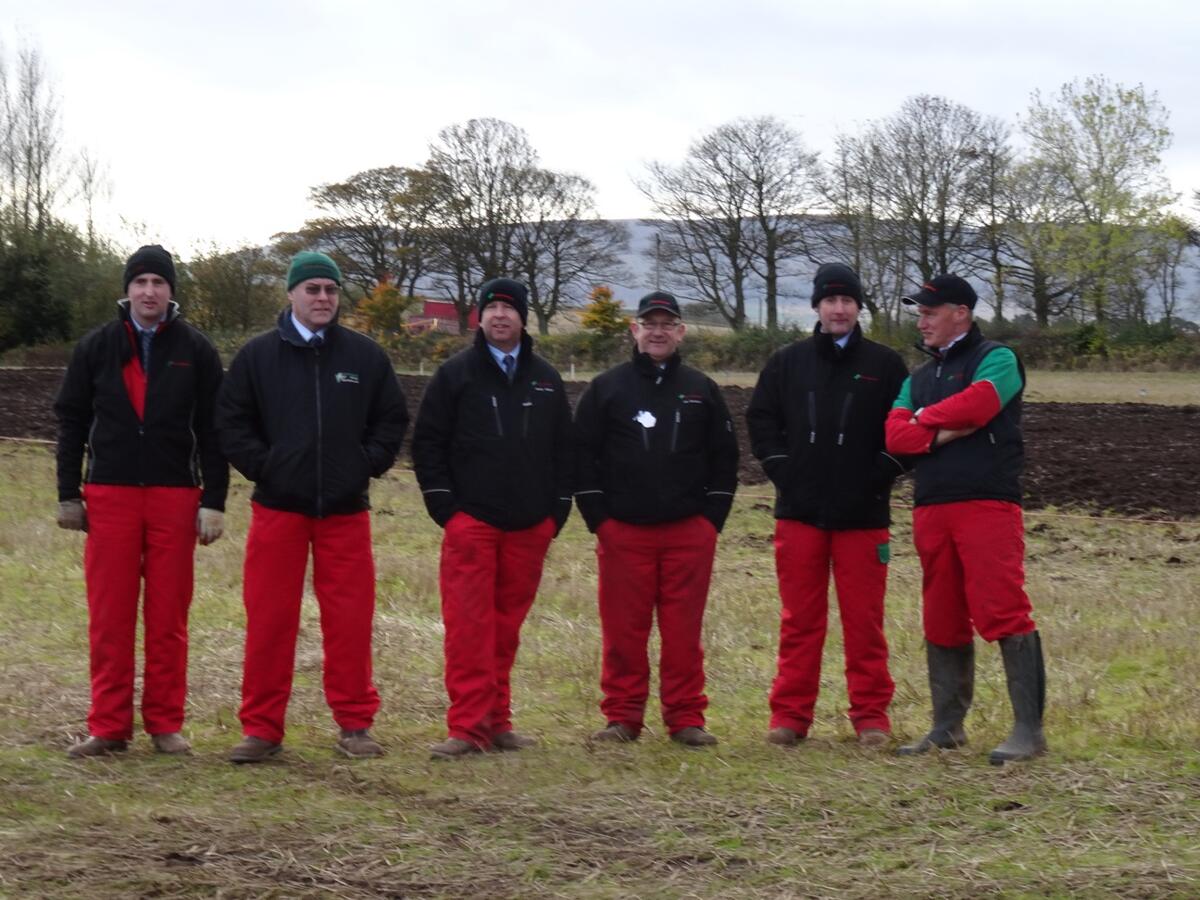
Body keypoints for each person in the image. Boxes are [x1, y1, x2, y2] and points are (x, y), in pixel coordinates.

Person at [216, 251, 408, 763]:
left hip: (345, 511)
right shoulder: (257, 357)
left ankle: (355, 724)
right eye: (312, 289)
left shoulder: (364, 357)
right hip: (279, 509)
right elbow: (231, 423)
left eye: (330, 290)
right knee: (269, 620)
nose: (323, 298)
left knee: (350, 621)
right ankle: (261, 729)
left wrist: (363, 465)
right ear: (291, 295)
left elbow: (390, 420)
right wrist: (267, 466)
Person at [54, 244, 228, 758]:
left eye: (159, 282)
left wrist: (213, 499)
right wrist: (68, 493)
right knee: (110, 616)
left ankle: (165, 724)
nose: (149, 291)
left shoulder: (196, 350)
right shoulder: (97, 346)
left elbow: (214, 430)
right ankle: (108, 728)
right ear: (127, 290)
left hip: (176, 495)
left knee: (168, 616)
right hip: (110, 495)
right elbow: (71, 421)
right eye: (140, 282)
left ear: (171, 291)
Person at [884, 273, 1046, 764]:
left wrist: (923, 419)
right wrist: (937, 431)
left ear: (962, 312)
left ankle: (1028, 731)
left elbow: (981, 404)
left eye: (930, 312)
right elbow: (895, 438)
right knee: (942, 613)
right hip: (933, 506)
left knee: (1001, 608)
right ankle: (947, 727)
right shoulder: (918, 376)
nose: (922, 321)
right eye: (920, 313)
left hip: (987, 502)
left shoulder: (998, 358)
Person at [746, 263, 909, 748]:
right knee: (800, 621)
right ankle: (791, 717)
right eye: (830, 300)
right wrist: (785, 470)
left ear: (859, 307)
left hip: (864, 517)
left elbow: (906, 431)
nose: (839, 309)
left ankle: (871, 717)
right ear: (816, 306)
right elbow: (761, 420)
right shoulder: (786, 362)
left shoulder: (886, 365)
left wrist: (877, 476)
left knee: (865, 623)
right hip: (800, 514)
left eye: (847, 301)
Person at [412, 277, 573, 760]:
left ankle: (498, 722)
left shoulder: (546, 379)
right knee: (468, 628)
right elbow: (428, 444)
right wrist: (447, 509)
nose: (500, 315)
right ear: (478, 318)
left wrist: (555, 512)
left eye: (509, 308)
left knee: (506, 628)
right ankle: (466, 727)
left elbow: (565, 449)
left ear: (524, 318)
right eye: (491, 308)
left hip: (529, 525)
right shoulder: (455, 375)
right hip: (472, 522)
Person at [574, 291, 738, 747]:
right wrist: (599, 520)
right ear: (635, 330)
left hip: (688, 532)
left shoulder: (701, 389)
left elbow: (725, 458)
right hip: (624, 532)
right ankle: (623, 717)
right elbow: (581, 457)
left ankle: (685, 718)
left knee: (683, 632)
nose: (659, 331)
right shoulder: (607, 388)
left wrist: (711, 521)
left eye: (668, 324)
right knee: (624, 631)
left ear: (681, 332)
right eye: (650, 323)